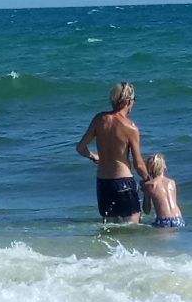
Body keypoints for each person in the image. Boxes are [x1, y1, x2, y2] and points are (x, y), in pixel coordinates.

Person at [74, 82, 149, 222]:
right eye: (133, 100)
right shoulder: (130, 127)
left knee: (110, 231)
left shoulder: (99, 119)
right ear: (128, 101)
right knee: (132, 230)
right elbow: (138, 164)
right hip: (123, 183)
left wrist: (93, 156)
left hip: (103, 184)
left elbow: (80, 148)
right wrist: (148, 179)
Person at [143, 153, 185, 228]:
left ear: (149, 168)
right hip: (179, 218)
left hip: (163, 221)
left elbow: (146, 210)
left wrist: (144, 190)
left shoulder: (149, 185)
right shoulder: (172, 182)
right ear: (164, 166)